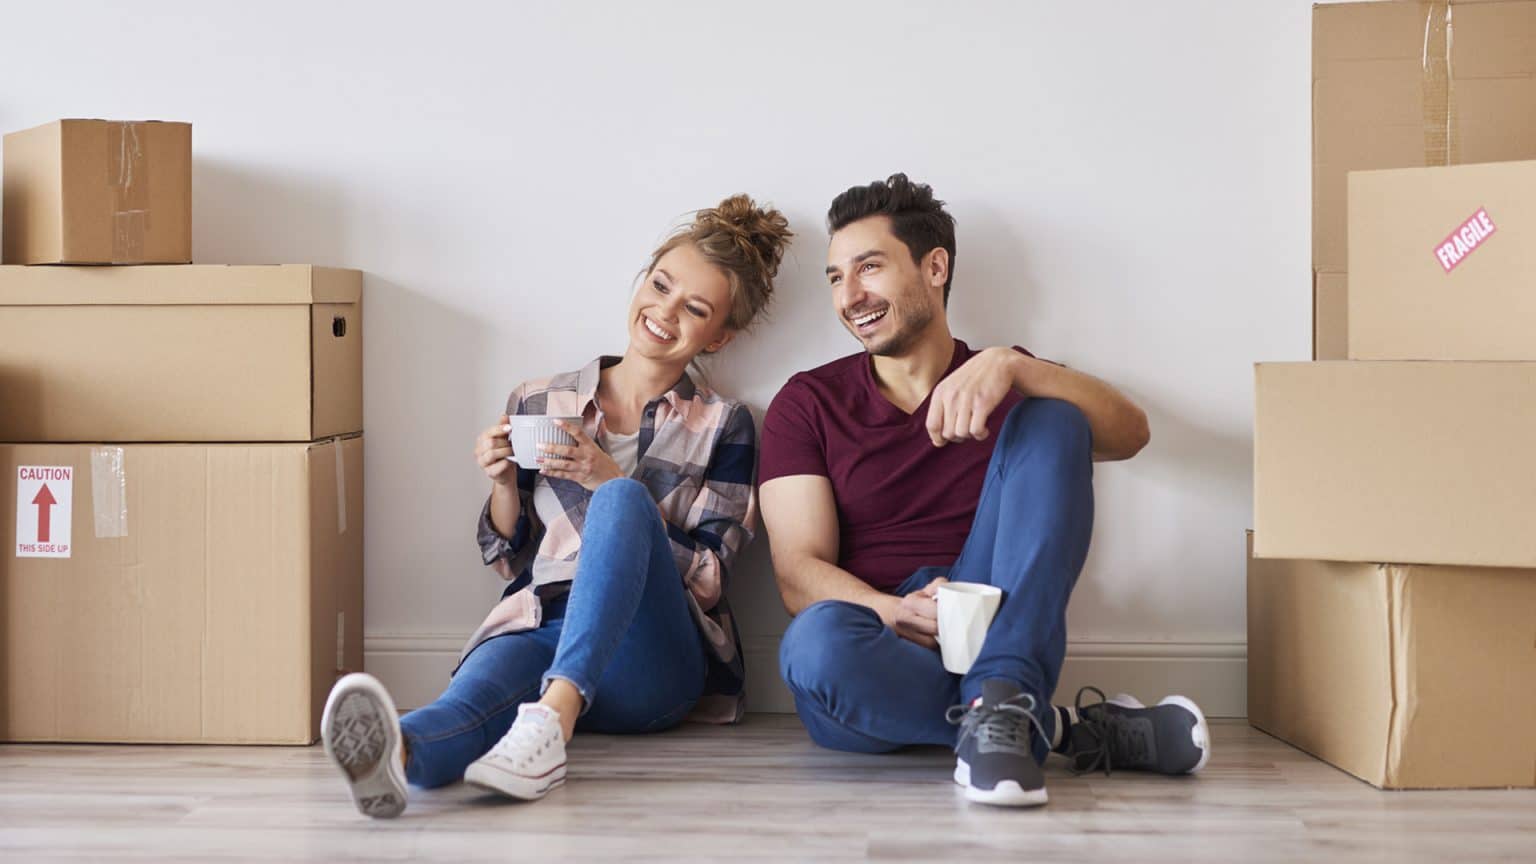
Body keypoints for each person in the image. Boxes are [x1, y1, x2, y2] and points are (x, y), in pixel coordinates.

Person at [320, 195, 792, 818]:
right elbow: (507, 558)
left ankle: (553, 718)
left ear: (720, 335)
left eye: (695, 308)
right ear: (644, 277)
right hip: (543, 620)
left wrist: (608, 479)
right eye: (661, 285)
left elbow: (708, 580)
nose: (664, 312)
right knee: (469, 702)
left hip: (652, 659)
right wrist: (501, 482)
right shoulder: (540, 399)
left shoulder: (726, 425)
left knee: (622, 499)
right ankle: (399, 760)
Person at [760, 174, 1209, 808]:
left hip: (996, 617)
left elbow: (1130, 434)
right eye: (836, 277)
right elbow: (797, 573)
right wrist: (892, 610)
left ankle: (1002, 691)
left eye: (869, 267)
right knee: (814, 646)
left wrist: (1018, 366)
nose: (849, 295)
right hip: (882, 641)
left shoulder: (1003, 378)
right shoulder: (807, 403)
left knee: (1055, 415)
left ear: (934, 266)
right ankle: (1051, 726)